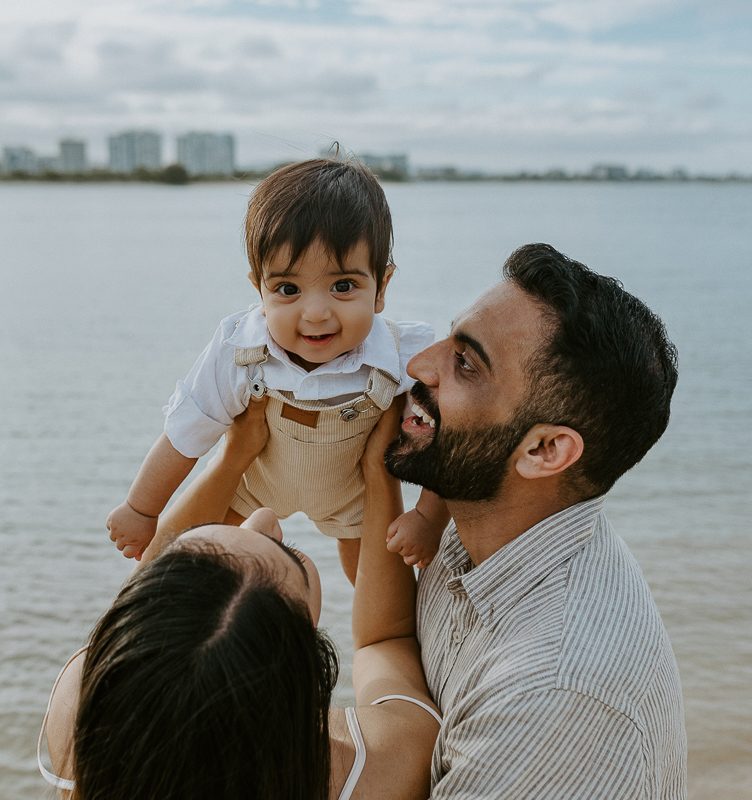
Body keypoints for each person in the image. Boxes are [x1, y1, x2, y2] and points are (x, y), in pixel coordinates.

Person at [384, 243, 687, 797]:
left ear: (546, 450)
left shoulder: (551, 692)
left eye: (466, 363)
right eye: (451, 338)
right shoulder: (479, 522)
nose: (419, 364)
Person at [39, 397, 441, 799]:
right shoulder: (384, 765)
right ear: (306, 669)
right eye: (289, 556)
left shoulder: (84, 723)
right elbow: (385, 639)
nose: (265, 518)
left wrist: (236, 455)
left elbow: (144, 601)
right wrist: (376, 471)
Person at [106, 157, 449, 582]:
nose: (316, 313)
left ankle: (381, 640)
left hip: (354, 498)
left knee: (373, 584)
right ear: (259, 290)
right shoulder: (241, 348)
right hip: (255, 486)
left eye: (343, 286)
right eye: (288, 289)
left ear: (382, 287)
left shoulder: (401, 356)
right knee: (191, 564)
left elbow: (446, 437)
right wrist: (142, 508)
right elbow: (186, 431)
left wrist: (428, 518)